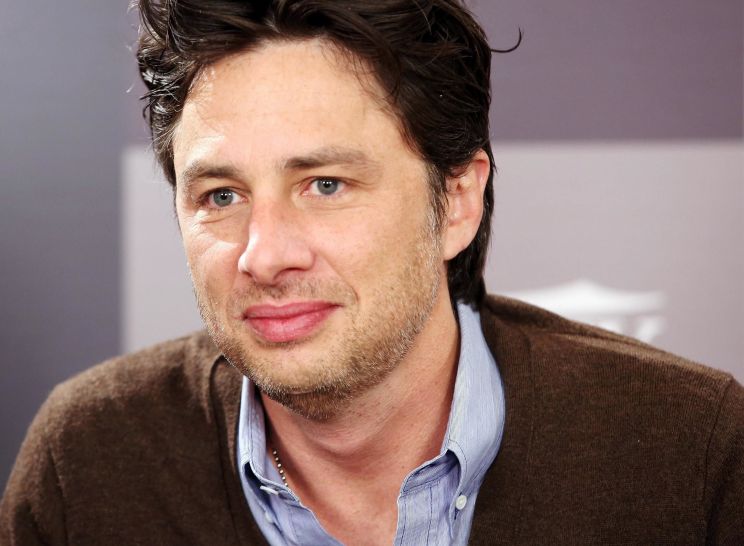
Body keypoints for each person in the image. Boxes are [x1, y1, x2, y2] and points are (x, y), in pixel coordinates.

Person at [1, 0, 742, 544]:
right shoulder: (88, 461)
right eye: (221, 196)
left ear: (456, 202)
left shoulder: (690, 451)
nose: (265, 255)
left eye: (325, 185)